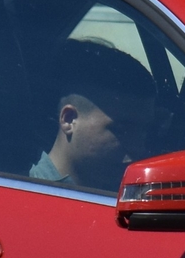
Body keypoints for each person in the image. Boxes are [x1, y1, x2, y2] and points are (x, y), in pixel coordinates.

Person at [30, 39, 160, 192]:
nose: (138, 147)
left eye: (144, 131)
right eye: (122, 129)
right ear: (69, 120)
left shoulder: (124, 195)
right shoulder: (24, 202)